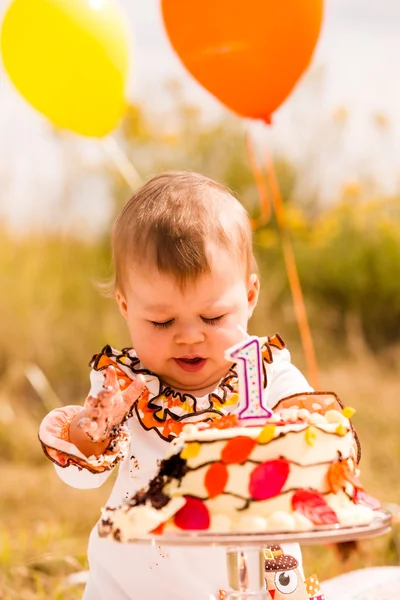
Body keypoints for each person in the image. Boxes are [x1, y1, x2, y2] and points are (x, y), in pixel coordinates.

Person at [39, 171, 313, 600]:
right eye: (162, 321)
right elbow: (81, 479)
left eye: (213, 317)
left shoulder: (265, 372)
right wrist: (89, 432)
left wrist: (299, 425)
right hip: (133, 585)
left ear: (250, 296)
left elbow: (311, 421)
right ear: (126, 308)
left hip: (252, 582)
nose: (188, 336)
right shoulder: (124, 386)